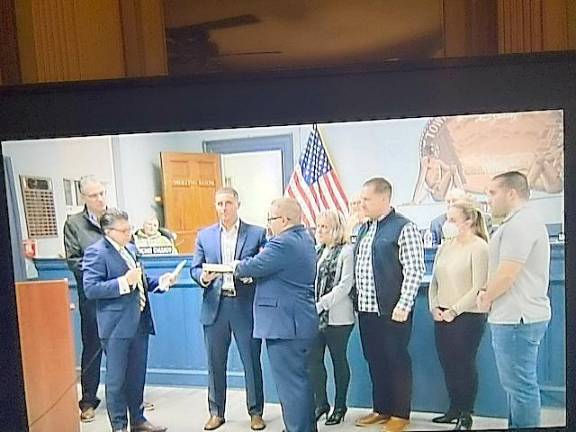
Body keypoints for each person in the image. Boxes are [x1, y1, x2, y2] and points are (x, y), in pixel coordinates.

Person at [83, 209, 175, 432]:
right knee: (116, 381)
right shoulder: (96, 253)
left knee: (136, 375)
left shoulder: (131, 250)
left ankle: (137, 419)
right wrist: (122, 282)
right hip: (115, 326)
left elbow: (140, 281)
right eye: (123, 230)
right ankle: (119, 426)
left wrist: (161, 282)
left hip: (140, 322)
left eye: (129, 228)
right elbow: (91, 289)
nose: (128, 233)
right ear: (108, 231)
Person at [234, 197, 319, 432]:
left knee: (291, 386)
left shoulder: (283, 243)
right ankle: (302, 427)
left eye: (270, 218)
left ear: (284, 219)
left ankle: (297, 428)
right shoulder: (304, 238)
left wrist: (238, 266)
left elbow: (248, 267)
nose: (268, 224)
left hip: (285, 325)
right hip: (298, 321)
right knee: (299, 383)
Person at [477, 171, 551, 429]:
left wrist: (486, 297)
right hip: (514, 316)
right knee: (516, 387)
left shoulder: (522, 223)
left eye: (492, 192)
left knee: (520, 387)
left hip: (517, 318)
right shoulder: (516, 222)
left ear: (511, 193)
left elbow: (508, 272)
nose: (488, 199)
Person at [190, 187, 267, 431]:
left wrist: (249, 275)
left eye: (229, 203)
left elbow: (263, 266)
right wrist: (203, 277)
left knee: (251, 361)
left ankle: (255, 412)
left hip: (244, 305)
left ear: (238, 204)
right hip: (216, 306)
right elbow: (194, 268)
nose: (224, 208)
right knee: (215, 363)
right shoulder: (205, 236)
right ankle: (216, 412)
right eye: (220, 204)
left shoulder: (256, 234)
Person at [354, 177, 425, 432]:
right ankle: (381, 409)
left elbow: (414, 270)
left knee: (396, 360)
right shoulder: (364, 228)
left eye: (366, 199)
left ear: (384, 198)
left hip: (393, 311)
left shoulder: (404, 228)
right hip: (366, 309)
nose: (361, 204)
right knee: (374, 359)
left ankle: (400, 413)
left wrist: (403, 305)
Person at [428, 198, 489, 430]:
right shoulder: (446, 245)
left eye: (453, 219)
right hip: (441, 314)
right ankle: (453, 408)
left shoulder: (480, 247)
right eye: (447, 218)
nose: (448, 223)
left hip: (468, 316)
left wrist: (454, 310)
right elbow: (434, 280)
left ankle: (466, 412)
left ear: (469, 220)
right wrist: (434, 306)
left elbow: (478, 287)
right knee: (448, 363)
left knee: (464, 364)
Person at [63, 175, 107, 422]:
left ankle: (132, 396)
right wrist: (101, 275)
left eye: (102, 193)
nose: (100, 199)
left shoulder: (114, 218)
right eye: (94, 195)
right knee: (93, 347)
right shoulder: (74, 224)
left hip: (119, 295)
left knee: (122, 348)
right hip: (92, 296)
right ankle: (88, 400)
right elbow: (74, 261)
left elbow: (128, 251)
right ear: (83, 198)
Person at [309, 210, 354, 426]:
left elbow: (345, 285)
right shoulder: (318, 251)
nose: (319, 231)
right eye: (318, 227)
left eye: (324, 227)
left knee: (338, 361)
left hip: (339, 317)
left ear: (335, 229)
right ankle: (321, 404)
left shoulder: (347, 251)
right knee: (314, 361)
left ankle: (340, 406)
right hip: (317, 317)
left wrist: (322, 304)